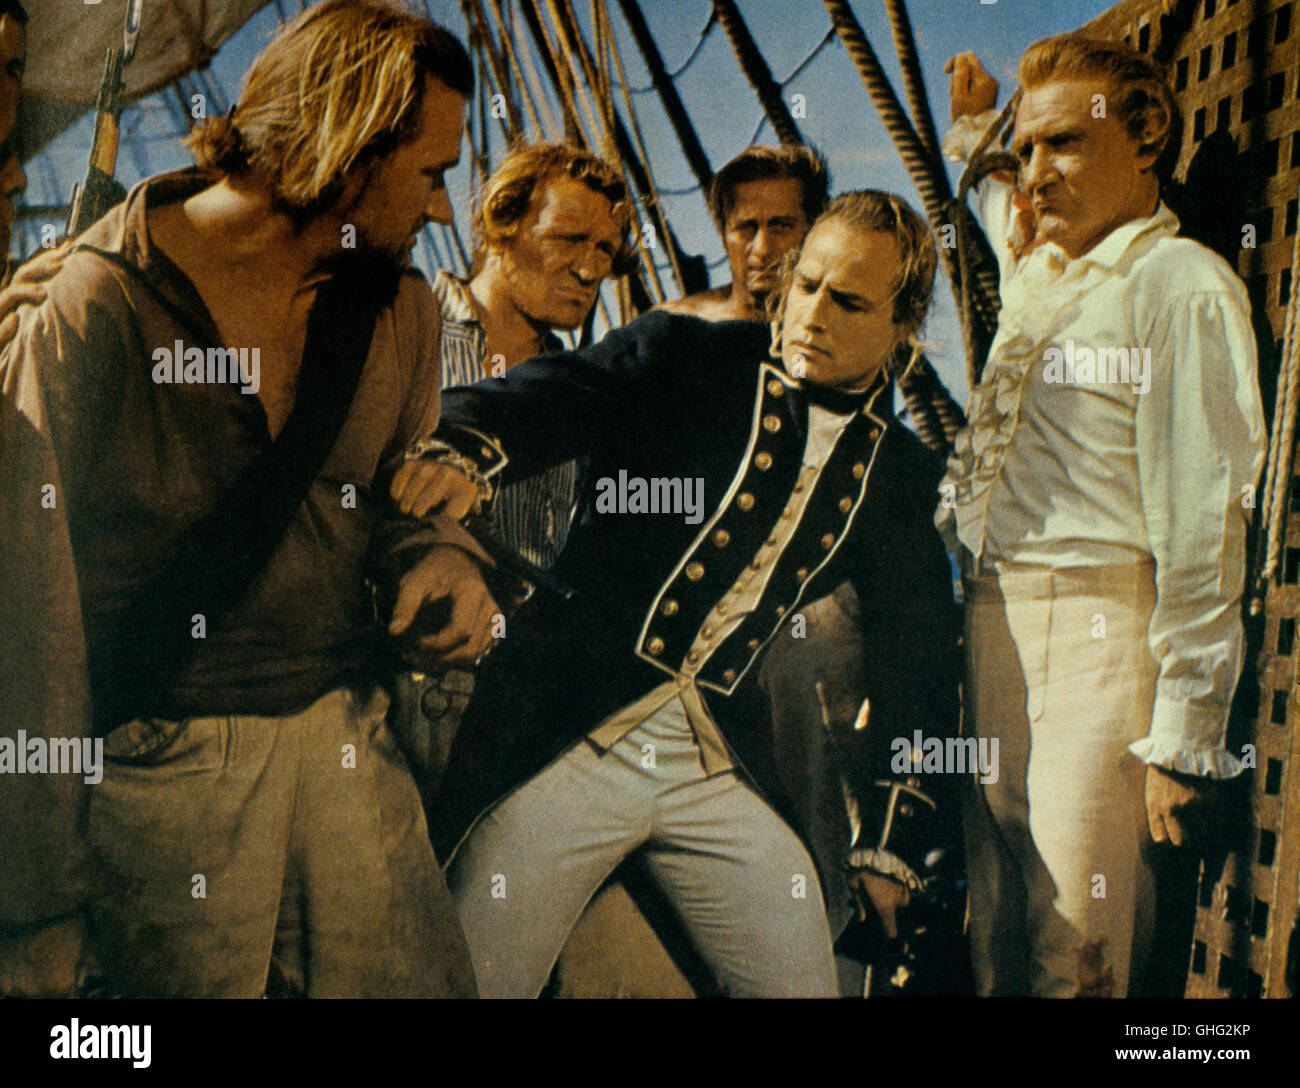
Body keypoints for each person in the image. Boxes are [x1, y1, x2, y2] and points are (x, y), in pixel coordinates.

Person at [0, 0, 486, 998]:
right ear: (350, 150)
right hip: (156, 769)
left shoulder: (400, 308)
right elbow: (29, 613)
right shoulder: (100, 299)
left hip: (350, 737)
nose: (444, 212)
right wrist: (35, 896)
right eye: (433, 174)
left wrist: (440, 550)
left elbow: (401, 490)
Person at [394, 189, 961, 998]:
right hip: (572, 730)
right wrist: (462, 449)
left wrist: (895, 839)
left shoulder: (900, 475)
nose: (812, 314)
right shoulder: (687, 358)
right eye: (806, 285)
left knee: (803, 984)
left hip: (715, 759)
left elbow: (919, 662)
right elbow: (553, 391)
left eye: (849, 301)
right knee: (475, 984)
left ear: (903, 326)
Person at [940, 37, 1267, 997]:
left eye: (1064, 147)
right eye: (1026, 148)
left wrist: (1184, 732)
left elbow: (1206, 517)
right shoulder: (1041, 263)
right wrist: (978, 122)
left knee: (1078, 943)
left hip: (1100, 628)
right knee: (996, 920)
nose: (1034, 175)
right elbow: (1003, 195)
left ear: (1147, 136)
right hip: (992, 619)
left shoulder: (1181, 287)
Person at [389, 143, 634, 799]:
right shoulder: (408, 328)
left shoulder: (587, 390)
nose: (589, 269)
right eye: (569, 239)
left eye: (606, 251)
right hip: (410, 683)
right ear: (501, 226)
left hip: (538, 697)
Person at [660, 143, 827, 323]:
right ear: (723, 236)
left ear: (812, 232)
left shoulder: (847, 331)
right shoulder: (671, 329)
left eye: (781, 227)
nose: (762, 249)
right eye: (746, 229)